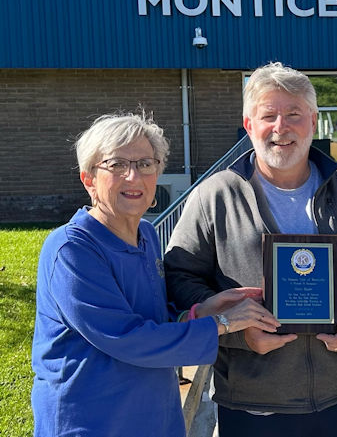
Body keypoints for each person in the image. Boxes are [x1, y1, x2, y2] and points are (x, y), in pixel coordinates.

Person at [164, 62, 337, 437]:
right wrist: (240, 331)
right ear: (249, 125)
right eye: (268, 115)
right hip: (253, 399)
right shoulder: (215, 196)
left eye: (293, 114)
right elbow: (180, 277)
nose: (281, 127)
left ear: (313, 119)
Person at [31, 112, 279, 437]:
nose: (134, 177)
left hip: (155, 418)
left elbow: (153, 317)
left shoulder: (146, 235)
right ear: (88, 179)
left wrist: (201, 311)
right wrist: (222, 324)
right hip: (92, 422)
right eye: (117, 164)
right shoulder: (71, 249)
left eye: (146, 164)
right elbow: (127, 337)